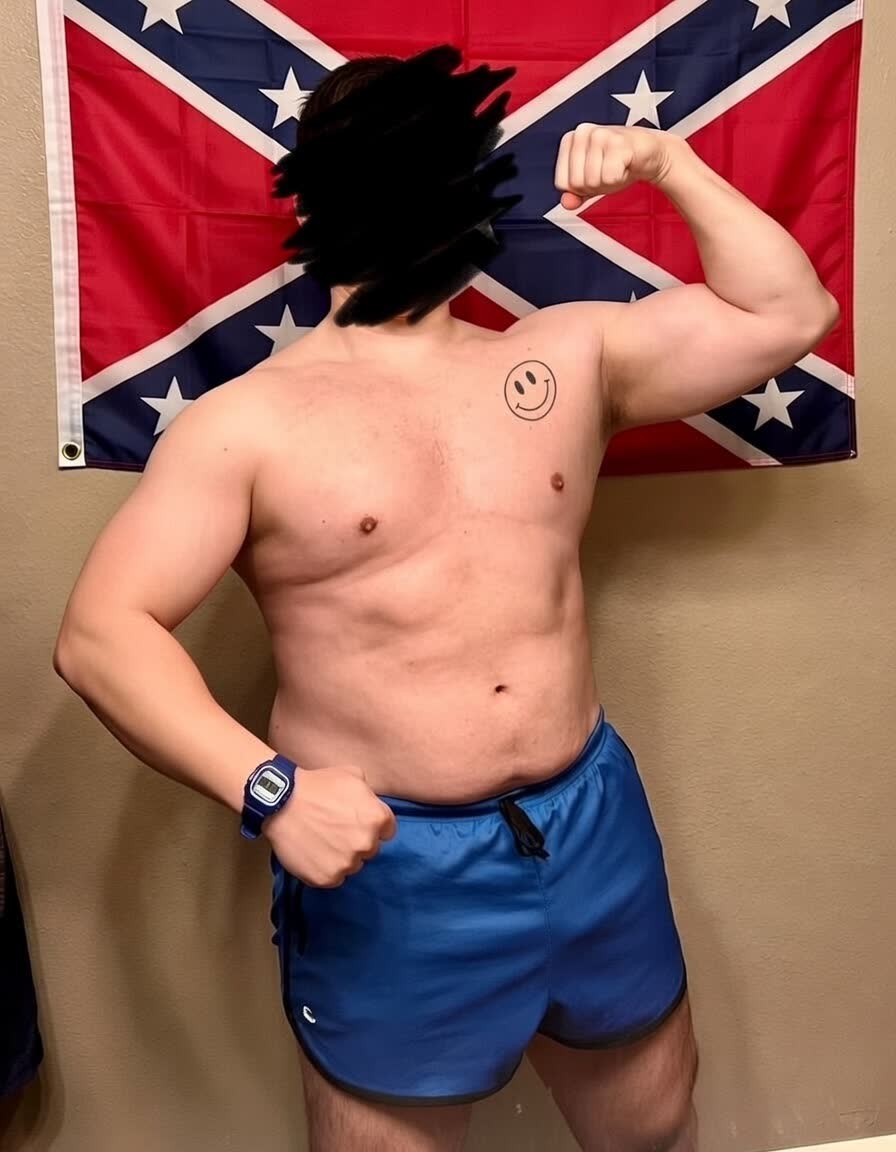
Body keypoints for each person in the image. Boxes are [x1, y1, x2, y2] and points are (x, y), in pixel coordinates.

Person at [53, 45, 839, 1152]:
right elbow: (102, 633)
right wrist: (270, 791)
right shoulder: (246, 424)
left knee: (655, 1124)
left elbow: (788, 312)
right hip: (394, 862)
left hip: (589, 822)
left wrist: (671, 164)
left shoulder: (568, 357)